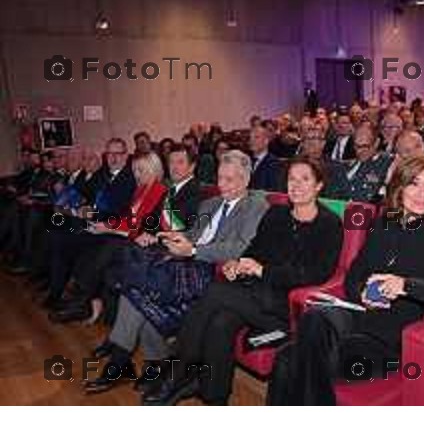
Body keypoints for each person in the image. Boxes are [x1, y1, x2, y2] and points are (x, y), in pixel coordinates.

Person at [268, 154, 424, 405]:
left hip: (387, 344)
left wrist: (408, 286)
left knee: (288, 359)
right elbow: (353, 278)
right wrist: (364, 294)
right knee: (314, 318)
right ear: (399, 187)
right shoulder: (383, 224)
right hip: (357, 318)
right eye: (414, 183)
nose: (423, 193)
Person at [143, 157, 344, 406]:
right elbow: (254, 248)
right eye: (292, 179)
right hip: (254, 293)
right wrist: (237, 264)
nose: (296, 185)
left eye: (305, 179)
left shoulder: (329, 224)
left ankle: (177, 372)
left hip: (285, 306)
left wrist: (263, 271)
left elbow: (317, 274)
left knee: (215, 292)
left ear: (319, 185)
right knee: (221, 322)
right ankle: (213, 393)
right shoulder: (277, 213)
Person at [83, 150, 269, 395]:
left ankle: (123, 363)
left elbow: (239, 246)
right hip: (184, 263)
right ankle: (153, 364)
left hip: (211, 272)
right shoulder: (211, 203)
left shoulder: (255, 205)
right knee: (139, 291)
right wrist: (178, 237)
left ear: (245, 180)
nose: (221, 185)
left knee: (137, 288)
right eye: (219, 178)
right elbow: (194, 233)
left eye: (229, 179)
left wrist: (192, 249)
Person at [48, 151, 167, 323]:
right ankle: (85, 300)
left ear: (155, 170)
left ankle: (81, 303)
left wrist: (110, 229)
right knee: (84, 238)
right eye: (135, 170)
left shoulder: (160, 192)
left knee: (107, 246)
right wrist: (107, 226)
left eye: (141, 170)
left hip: (139, 242)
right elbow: (127, 219)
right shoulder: (140, 191)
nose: (137, 175)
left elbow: (146, 228)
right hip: (125, 235)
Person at [344, 123, 392, 203]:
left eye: (365, 146)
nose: (359, 151)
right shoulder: (349, 165)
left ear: (376, 143)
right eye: (356, 146)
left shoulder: (387, 163)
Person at [248, 124, 283, 191]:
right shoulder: (246, 161)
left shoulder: (274, 163)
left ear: (266, 141)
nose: (251, 141)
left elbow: (273, 190)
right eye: (250, 138)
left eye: (256, 137)